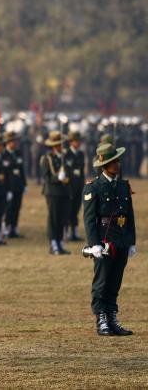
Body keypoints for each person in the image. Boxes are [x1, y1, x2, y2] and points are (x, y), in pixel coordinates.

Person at [83, 143, 135, 336]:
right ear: (104, 164)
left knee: (115, 281)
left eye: (118, 160)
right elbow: (89, 219)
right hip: (104, 241)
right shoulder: (94, 187)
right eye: (113, 161)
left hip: (121, 239)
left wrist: (131, 241)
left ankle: (112, 317)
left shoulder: (123, 185)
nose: (117, 164)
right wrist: (93, 243)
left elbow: (129, 216)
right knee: (102, 282)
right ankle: (101, 319)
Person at [40, 131, 71, 255]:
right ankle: (53, 243)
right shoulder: (47, 158)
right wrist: (57, 178)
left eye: (61, 144)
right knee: (54, 218)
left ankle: (59, 241)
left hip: (64, 192)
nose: (60, 147)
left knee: (62, 218)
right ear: (53, 146)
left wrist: (66, 177)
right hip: (52, 192)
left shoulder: (65, 157)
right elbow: (46, 177)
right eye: (58, 144)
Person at [3, 131, 26, 238]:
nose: (15, 143)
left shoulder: (18, 153)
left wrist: (24, 183)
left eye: (15, 141)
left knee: (17, 207)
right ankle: (7, 227)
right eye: (12, 141)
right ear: (7, 142)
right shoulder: (4, 155)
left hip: (18, 185)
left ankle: (14, 228)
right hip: (8, 186)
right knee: (9, 208)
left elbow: (21, 170)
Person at [65, 131, 85, 241]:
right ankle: (67, 232)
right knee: (69, 210)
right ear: (71, 142)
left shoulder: (81, 154)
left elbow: (81, 170)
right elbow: (67, 171)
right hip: (70, 186)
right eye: (76, 141)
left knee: (76, 209)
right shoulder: (66, 154)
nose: (78, 143)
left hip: (78, 185)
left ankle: (75, 232)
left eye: (79, 141)